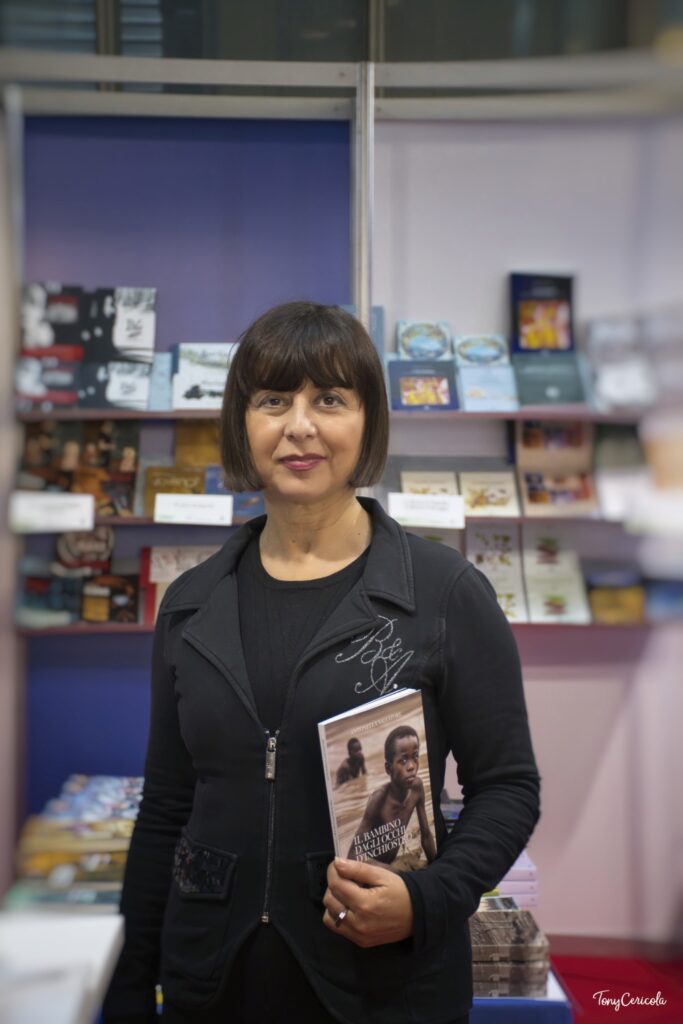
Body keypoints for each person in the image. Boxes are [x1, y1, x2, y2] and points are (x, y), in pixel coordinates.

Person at [103, 301, 540, 1024]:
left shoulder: (443, 594)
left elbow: (508, 786)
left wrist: (427, 898)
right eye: (273, 400)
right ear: (242, 421)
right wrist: (125, 990)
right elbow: (167, 807)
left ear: (367, 421)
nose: (299, 426)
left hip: (381, 988)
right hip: (211, 981)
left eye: (329, 399)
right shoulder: (191, 603)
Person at [348, 725, 437, 866]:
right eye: (403, 760)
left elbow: (426, 835)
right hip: (373, 869)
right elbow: (353, 854)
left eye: (415, 757)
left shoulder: (417, 788)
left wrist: (436, 867)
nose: (411, 766)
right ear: (388, 768)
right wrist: (391, 870)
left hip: (391, 866)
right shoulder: (379, 798)